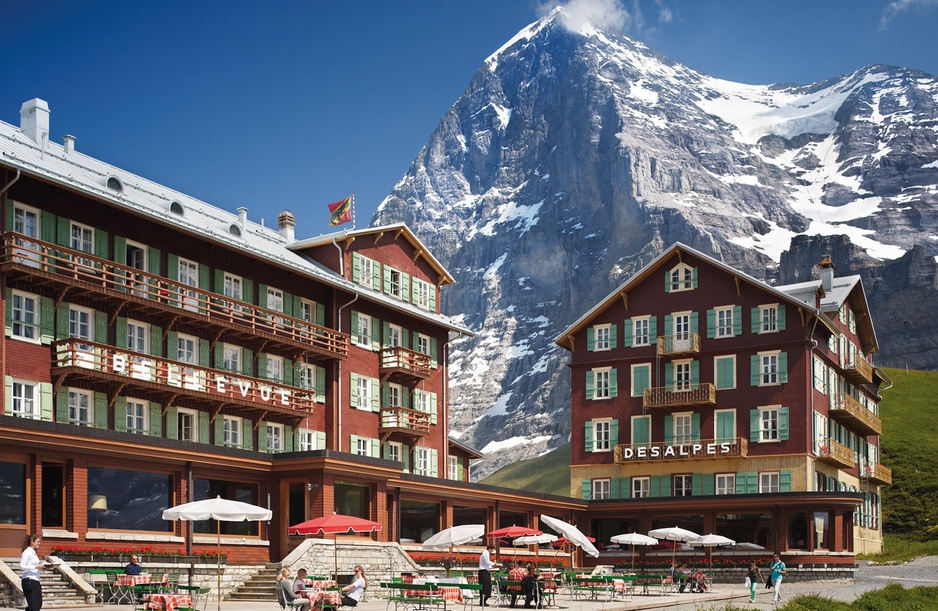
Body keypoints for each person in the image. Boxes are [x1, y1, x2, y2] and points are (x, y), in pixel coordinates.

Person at [20, 533, 50, 611]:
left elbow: (35, 567)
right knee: (34, 606)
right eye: (38, 541)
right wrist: (36, 567)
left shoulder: (33, 553)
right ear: (32, 542)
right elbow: (21, 566)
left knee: (38, 604)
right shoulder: (27, 552)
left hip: (35, 580)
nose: (39, 543)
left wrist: (42, 568)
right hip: (29, 580)